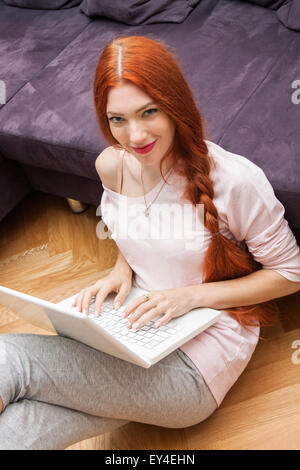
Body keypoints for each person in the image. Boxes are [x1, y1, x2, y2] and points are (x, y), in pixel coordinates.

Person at [1, 35, 300, 451]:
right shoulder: (112, 166)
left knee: (11, 361)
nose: (134, 135)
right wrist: (121, 268)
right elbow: (135, 223)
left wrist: (188, 297)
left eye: (149, 112)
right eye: (117, 119)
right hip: (134, 327)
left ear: (174, 104)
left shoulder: (236, 181)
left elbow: (290, 275)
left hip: (196, 365)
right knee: (19, 427)